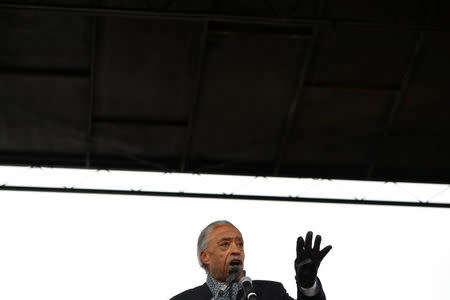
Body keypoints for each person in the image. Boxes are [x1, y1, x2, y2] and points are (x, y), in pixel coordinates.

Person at [170, 220, 332, 300]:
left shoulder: (272, 293)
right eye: (225, 244)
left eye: (240, 244)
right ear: (205, 256)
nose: (236, 250)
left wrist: (308, 286)